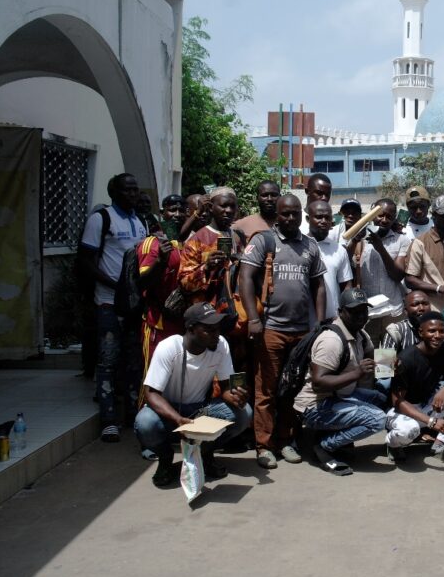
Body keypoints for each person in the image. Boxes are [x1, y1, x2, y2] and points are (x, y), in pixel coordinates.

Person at [239, 193, 327, 469]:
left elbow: (319, 285)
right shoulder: (263, 241)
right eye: (285, 213)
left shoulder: (310, 245)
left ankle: (286, 440)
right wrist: (253, 318)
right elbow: (245, 277)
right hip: (271, 329)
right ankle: (264, 446)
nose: (290, 218)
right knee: (266, 389)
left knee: (292, 388)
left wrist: (319, 323)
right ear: (277, 215)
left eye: (295, 213)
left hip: (301, 331)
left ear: (302, 215)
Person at [134, 303, 252, 487]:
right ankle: (165, 460)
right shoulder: (169, 347)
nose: (216, 334)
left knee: (244, 413)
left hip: (200, 409)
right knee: (145, 423)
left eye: (217, 328)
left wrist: (237, 397)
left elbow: (225, 388)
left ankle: (205, 453)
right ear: (191, 329)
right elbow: (152, 394)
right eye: (209, 329)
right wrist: (178, 419)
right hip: (168, 411)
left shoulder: (220, 345)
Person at [79, 172, 148, 442]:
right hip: (108, 302)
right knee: (108, 361)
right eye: (126, 190)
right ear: (114, 193)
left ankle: (132, 415)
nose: (132, 194)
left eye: (135, 189)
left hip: (133, 304)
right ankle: (108, 420)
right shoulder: (101, 219)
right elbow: (85, 261)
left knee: (134, 361)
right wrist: (115, 284)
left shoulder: (140, 221)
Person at [293, 288, 387, 476]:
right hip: (315, 406)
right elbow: (318, 383)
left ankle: (338, 437)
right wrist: (357, 373)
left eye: (364, 311)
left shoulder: (360, 334)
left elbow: (376, 360)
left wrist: (395, 365)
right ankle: (325, 445)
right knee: (378, 419)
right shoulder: (331, 340)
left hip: (340, 395)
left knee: (381, 398)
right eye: (354, 311)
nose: (361, 316)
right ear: (341, 312)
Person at [386, 311, 444, 464]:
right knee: (409, 431)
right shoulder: (407, 358)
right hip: (403, 411)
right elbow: (397, 402)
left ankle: (442, 444)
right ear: (421, 332)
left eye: (441, 331)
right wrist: (431, 422)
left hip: (427, 405)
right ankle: (392, 445)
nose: (437, 336)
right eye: (432, 331)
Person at [352, 199, 410, 345]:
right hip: (368, 312)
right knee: (369, 353)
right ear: (372, 215)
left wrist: (380, 248)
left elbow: (398, 275)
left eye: (389, 217)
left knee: (388, 355)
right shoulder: (360, 239)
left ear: (394, 218)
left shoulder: (402, 240)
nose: (384, 220)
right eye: (380, 215)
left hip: (393, 311)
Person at [404, 195, 444, 325]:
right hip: (433, 313)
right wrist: (439, 288)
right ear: (434, 215)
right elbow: (410, 280)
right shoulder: (420, 243)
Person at [136, 232, 183, 374]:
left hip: (183, 325)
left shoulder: (190, 241)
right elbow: (143, 283)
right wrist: (160, 261)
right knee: (155, 377)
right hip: (158, 325)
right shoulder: (152, 243)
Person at [307, 199, 353, 320]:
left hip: (333, 321)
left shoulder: (339, 250)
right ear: (308, 219)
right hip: (303, 322)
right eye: (318, 217)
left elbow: (346, 286)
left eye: (327, 218)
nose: (323, 221)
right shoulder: (299, 247)